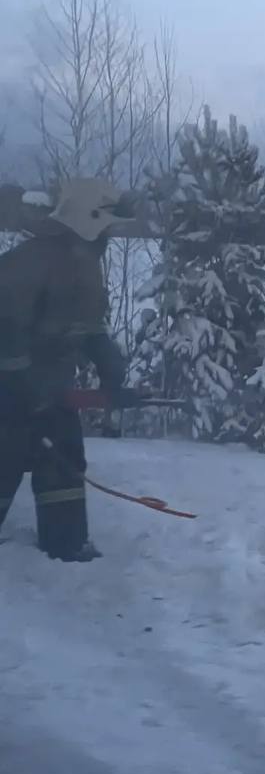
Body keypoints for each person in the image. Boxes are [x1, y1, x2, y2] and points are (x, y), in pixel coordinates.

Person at [0, 178, 136, 561]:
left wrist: (111, 370)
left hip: (47, 387)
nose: (111, 234)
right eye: (108, 225)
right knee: (6, 451)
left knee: (63, 453)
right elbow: (5, 326)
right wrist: (21, 383)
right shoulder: (31, 262)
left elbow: (90, 328)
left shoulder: (86, 266)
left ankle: (66, 543)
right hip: (8, 385)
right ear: (89, 220)